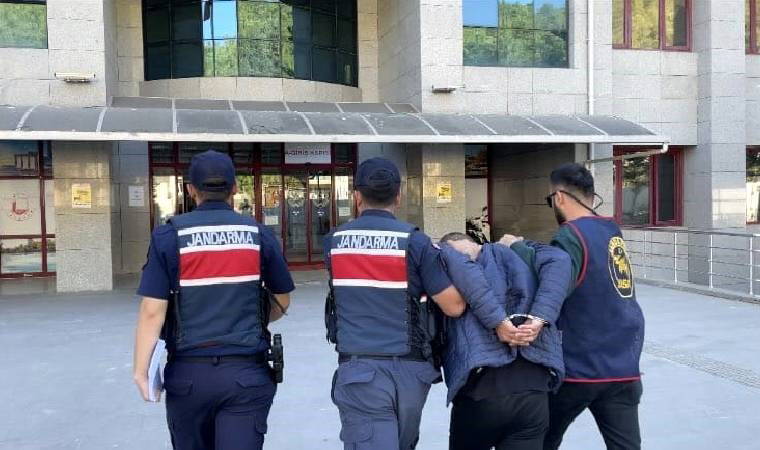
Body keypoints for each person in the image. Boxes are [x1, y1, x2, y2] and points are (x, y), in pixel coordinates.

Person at [323, 157, 518, 450]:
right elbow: (454, 306)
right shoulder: (415, 242)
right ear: (398, 197)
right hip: (410, 373)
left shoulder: (333, 242)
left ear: (357, 197)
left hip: (359, 370)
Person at [132, 150, 294, 450]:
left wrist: (141, 371)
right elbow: (282, 301)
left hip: (188, 377)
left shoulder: (169, 236)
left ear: (190, 189)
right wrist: (254, 315)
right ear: (235, 188)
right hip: (246, 374)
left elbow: (152, 311)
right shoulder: (258, 234)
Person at [503, 163, 645, 450]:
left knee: (539, 440)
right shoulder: (611, 229)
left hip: (580, 367)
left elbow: (556, 281)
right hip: (623, 364)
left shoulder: (571, 234)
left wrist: (515, 248)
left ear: (559, 197)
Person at [437, 232, 571, 450]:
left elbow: (457, 262)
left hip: (481, 391)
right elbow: (559, 258)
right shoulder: (521, 260)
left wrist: (500, 322)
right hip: (533, 389)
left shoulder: (452, 264)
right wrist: (539, 318)